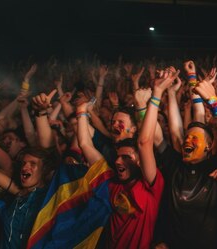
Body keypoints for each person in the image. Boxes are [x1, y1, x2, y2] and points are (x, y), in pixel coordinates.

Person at [74, 69, 173, 248]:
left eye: (126, 157)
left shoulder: (151, 185)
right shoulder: (112, 182)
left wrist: (156, 94)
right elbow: (85, 145)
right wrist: (81, 112)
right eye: (118, 157)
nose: (119, 161)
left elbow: (145, 142)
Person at [153, 63, 217, 249]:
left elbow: (198, 116)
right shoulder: (175, 164)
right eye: (186, 137)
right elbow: (173, 133)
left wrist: (193, 79)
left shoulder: (216, 166)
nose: (186, 140)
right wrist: (167, 93)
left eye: (194, 138)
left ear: (210, 146)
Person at [0, 147, 54, 249]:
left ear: (44, 170)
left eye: (32, 164)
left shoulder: (48, 199)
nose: (25, 168)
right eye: (23, 164)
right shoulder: (17, 199)